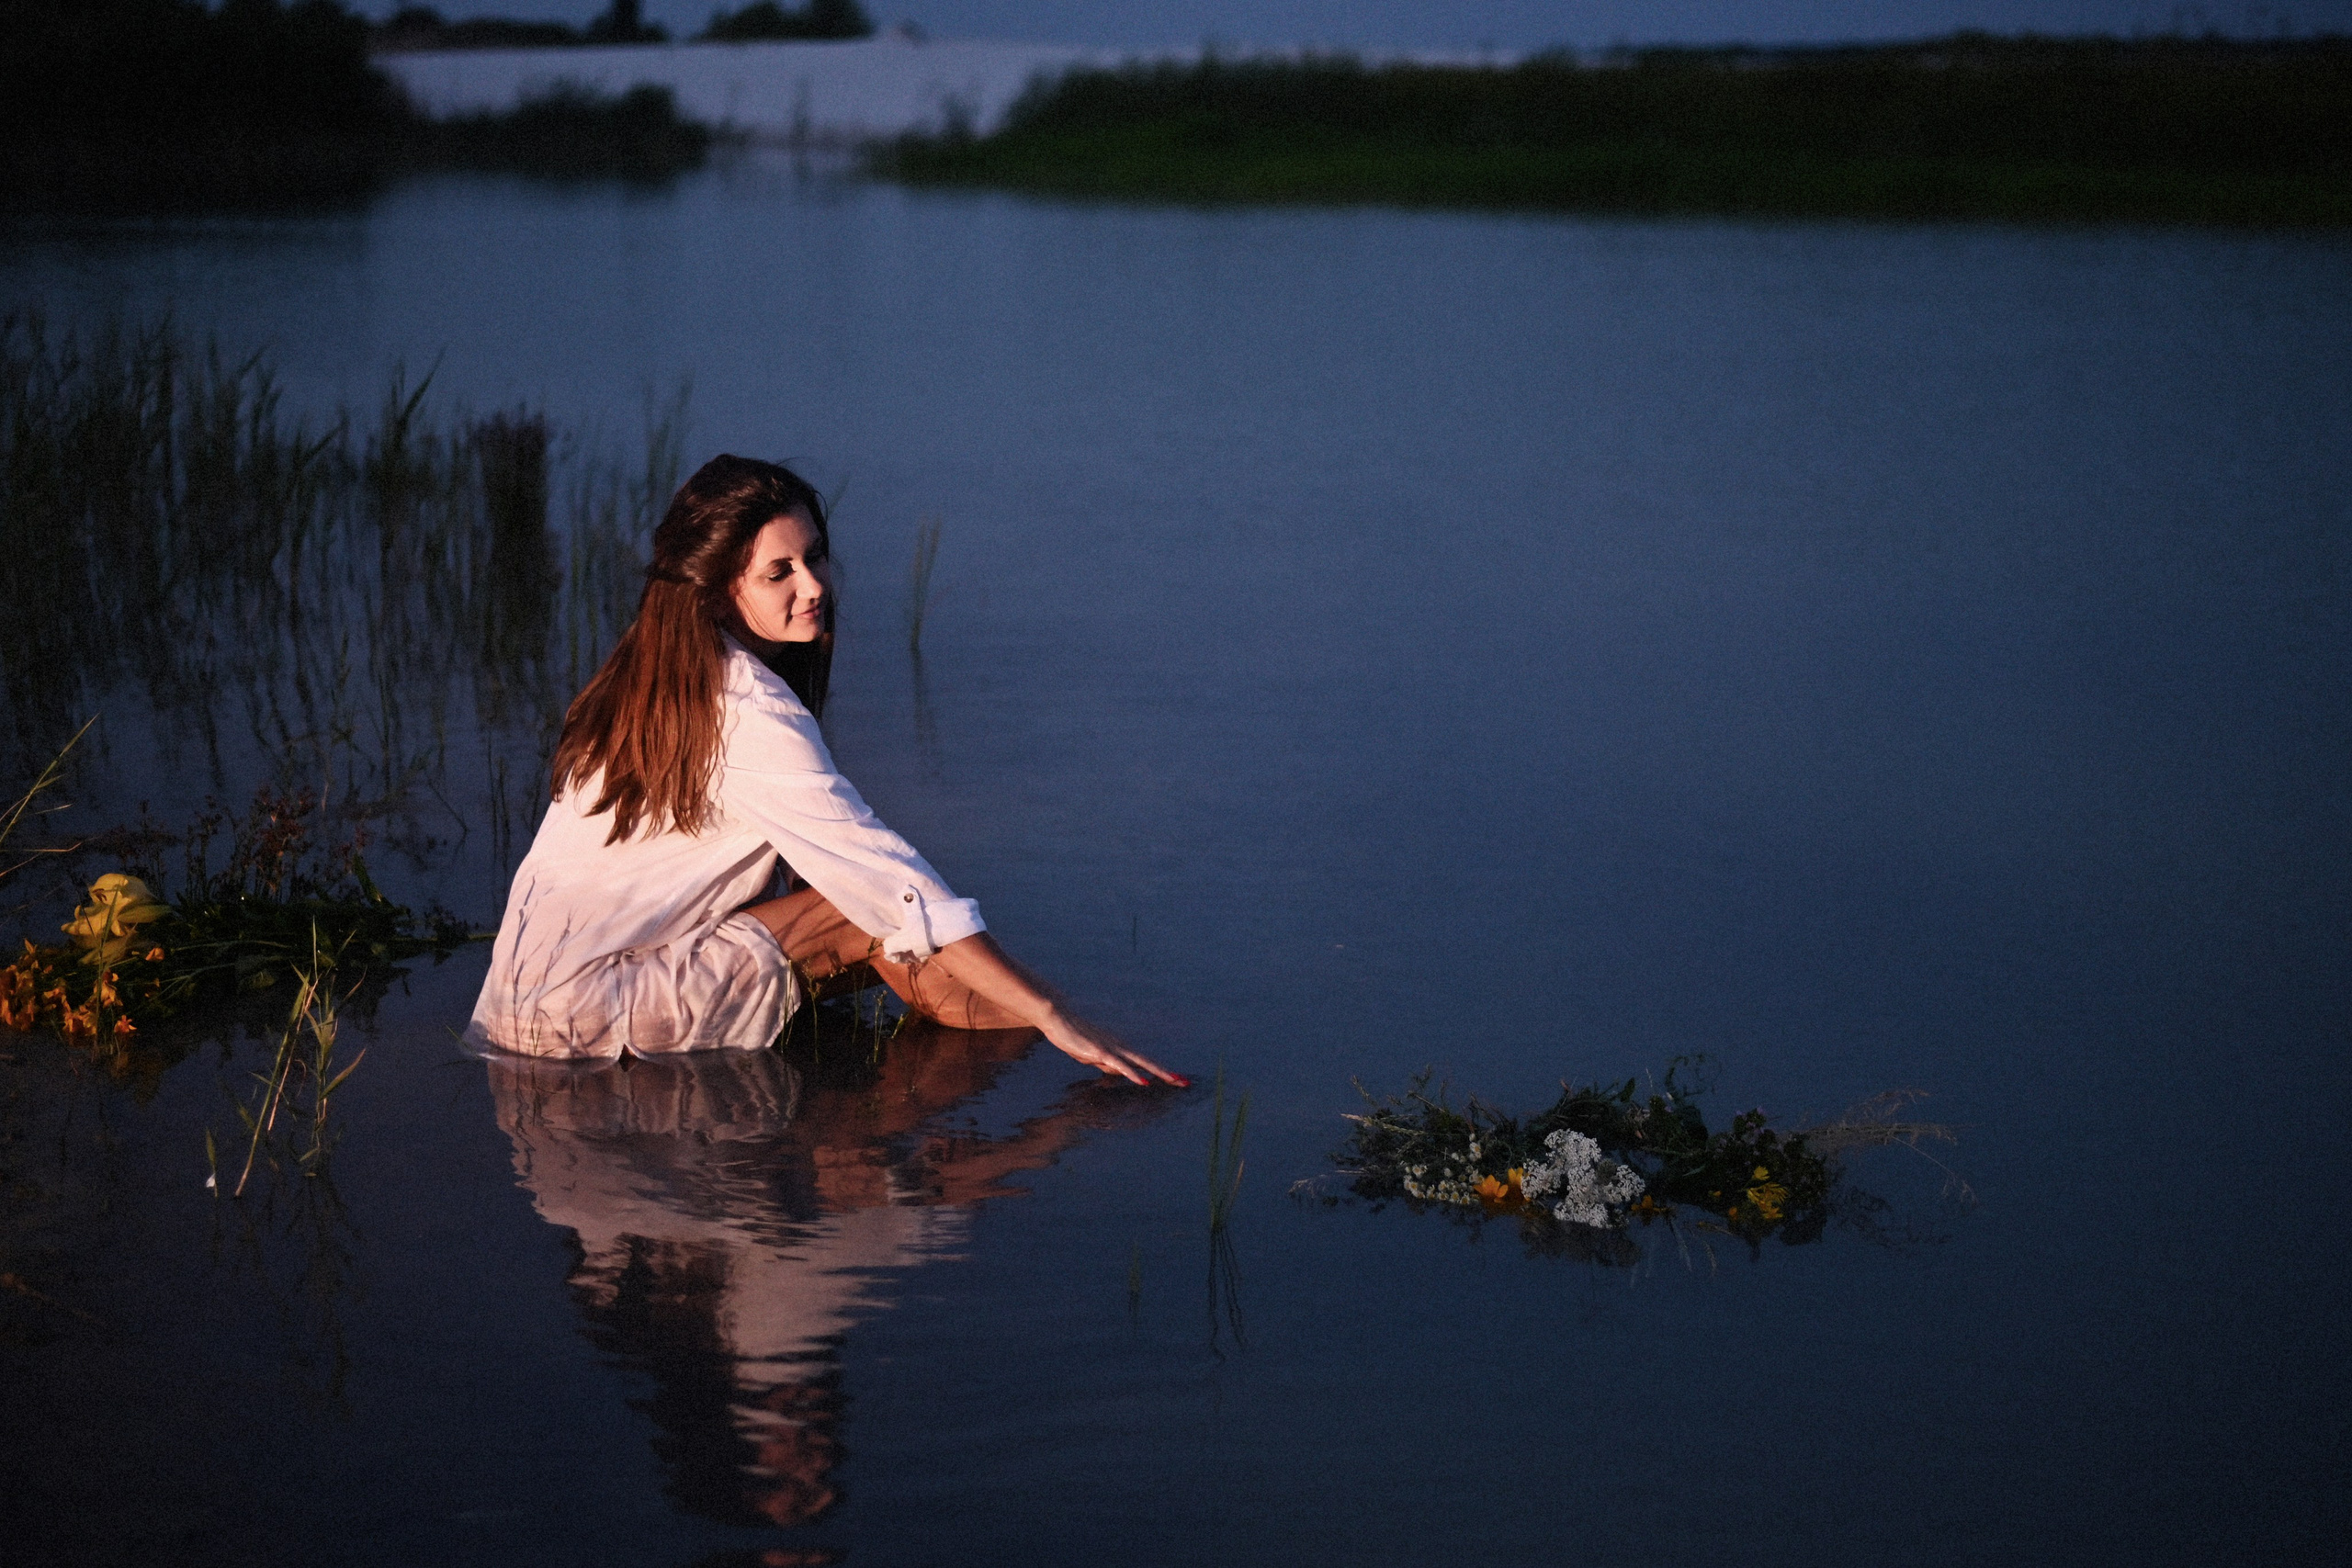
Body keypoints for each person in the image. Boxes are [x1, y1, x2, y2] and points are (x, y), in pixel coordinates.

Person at [465, 454, 1183, 1088]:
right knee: (865, 913)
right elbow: (891, 883)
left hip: (516, 1007)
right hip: (580, 1024)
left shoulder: (654, 673)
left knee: (860, 917)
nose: (813, 586)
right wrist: (1052, 1009)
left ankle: (943, 1093)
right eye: (779, 571)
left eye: (815, 557)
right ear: (718, 592)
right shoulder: (746, 709)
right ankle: (1037, 1075)